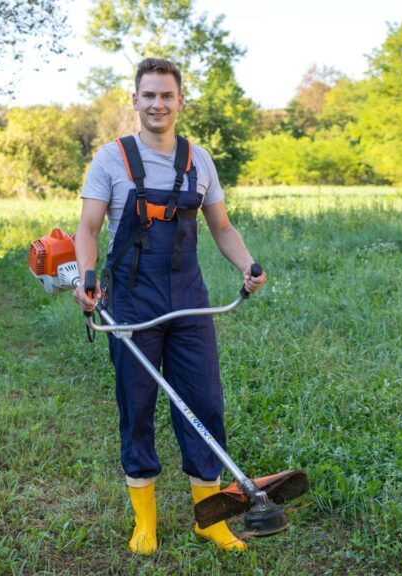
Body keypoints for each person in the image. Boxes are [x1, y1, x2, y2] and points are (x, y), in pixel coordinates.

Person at [73, 58, 267, 555]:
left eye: (167, 96)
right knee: (137, 407)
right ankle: (145, 524)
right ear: (135, 101)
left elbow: (222, 227)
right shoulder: (110, 159)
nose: (158, 104)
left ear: (181, 102)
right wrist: (89, 279)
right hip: (133, 303)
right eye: (149, 95)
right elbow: (89, 229)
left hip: (189, 301)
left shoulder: (199, 160)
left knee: (204, 405)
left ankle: (211, 520)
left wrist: (247, 265)